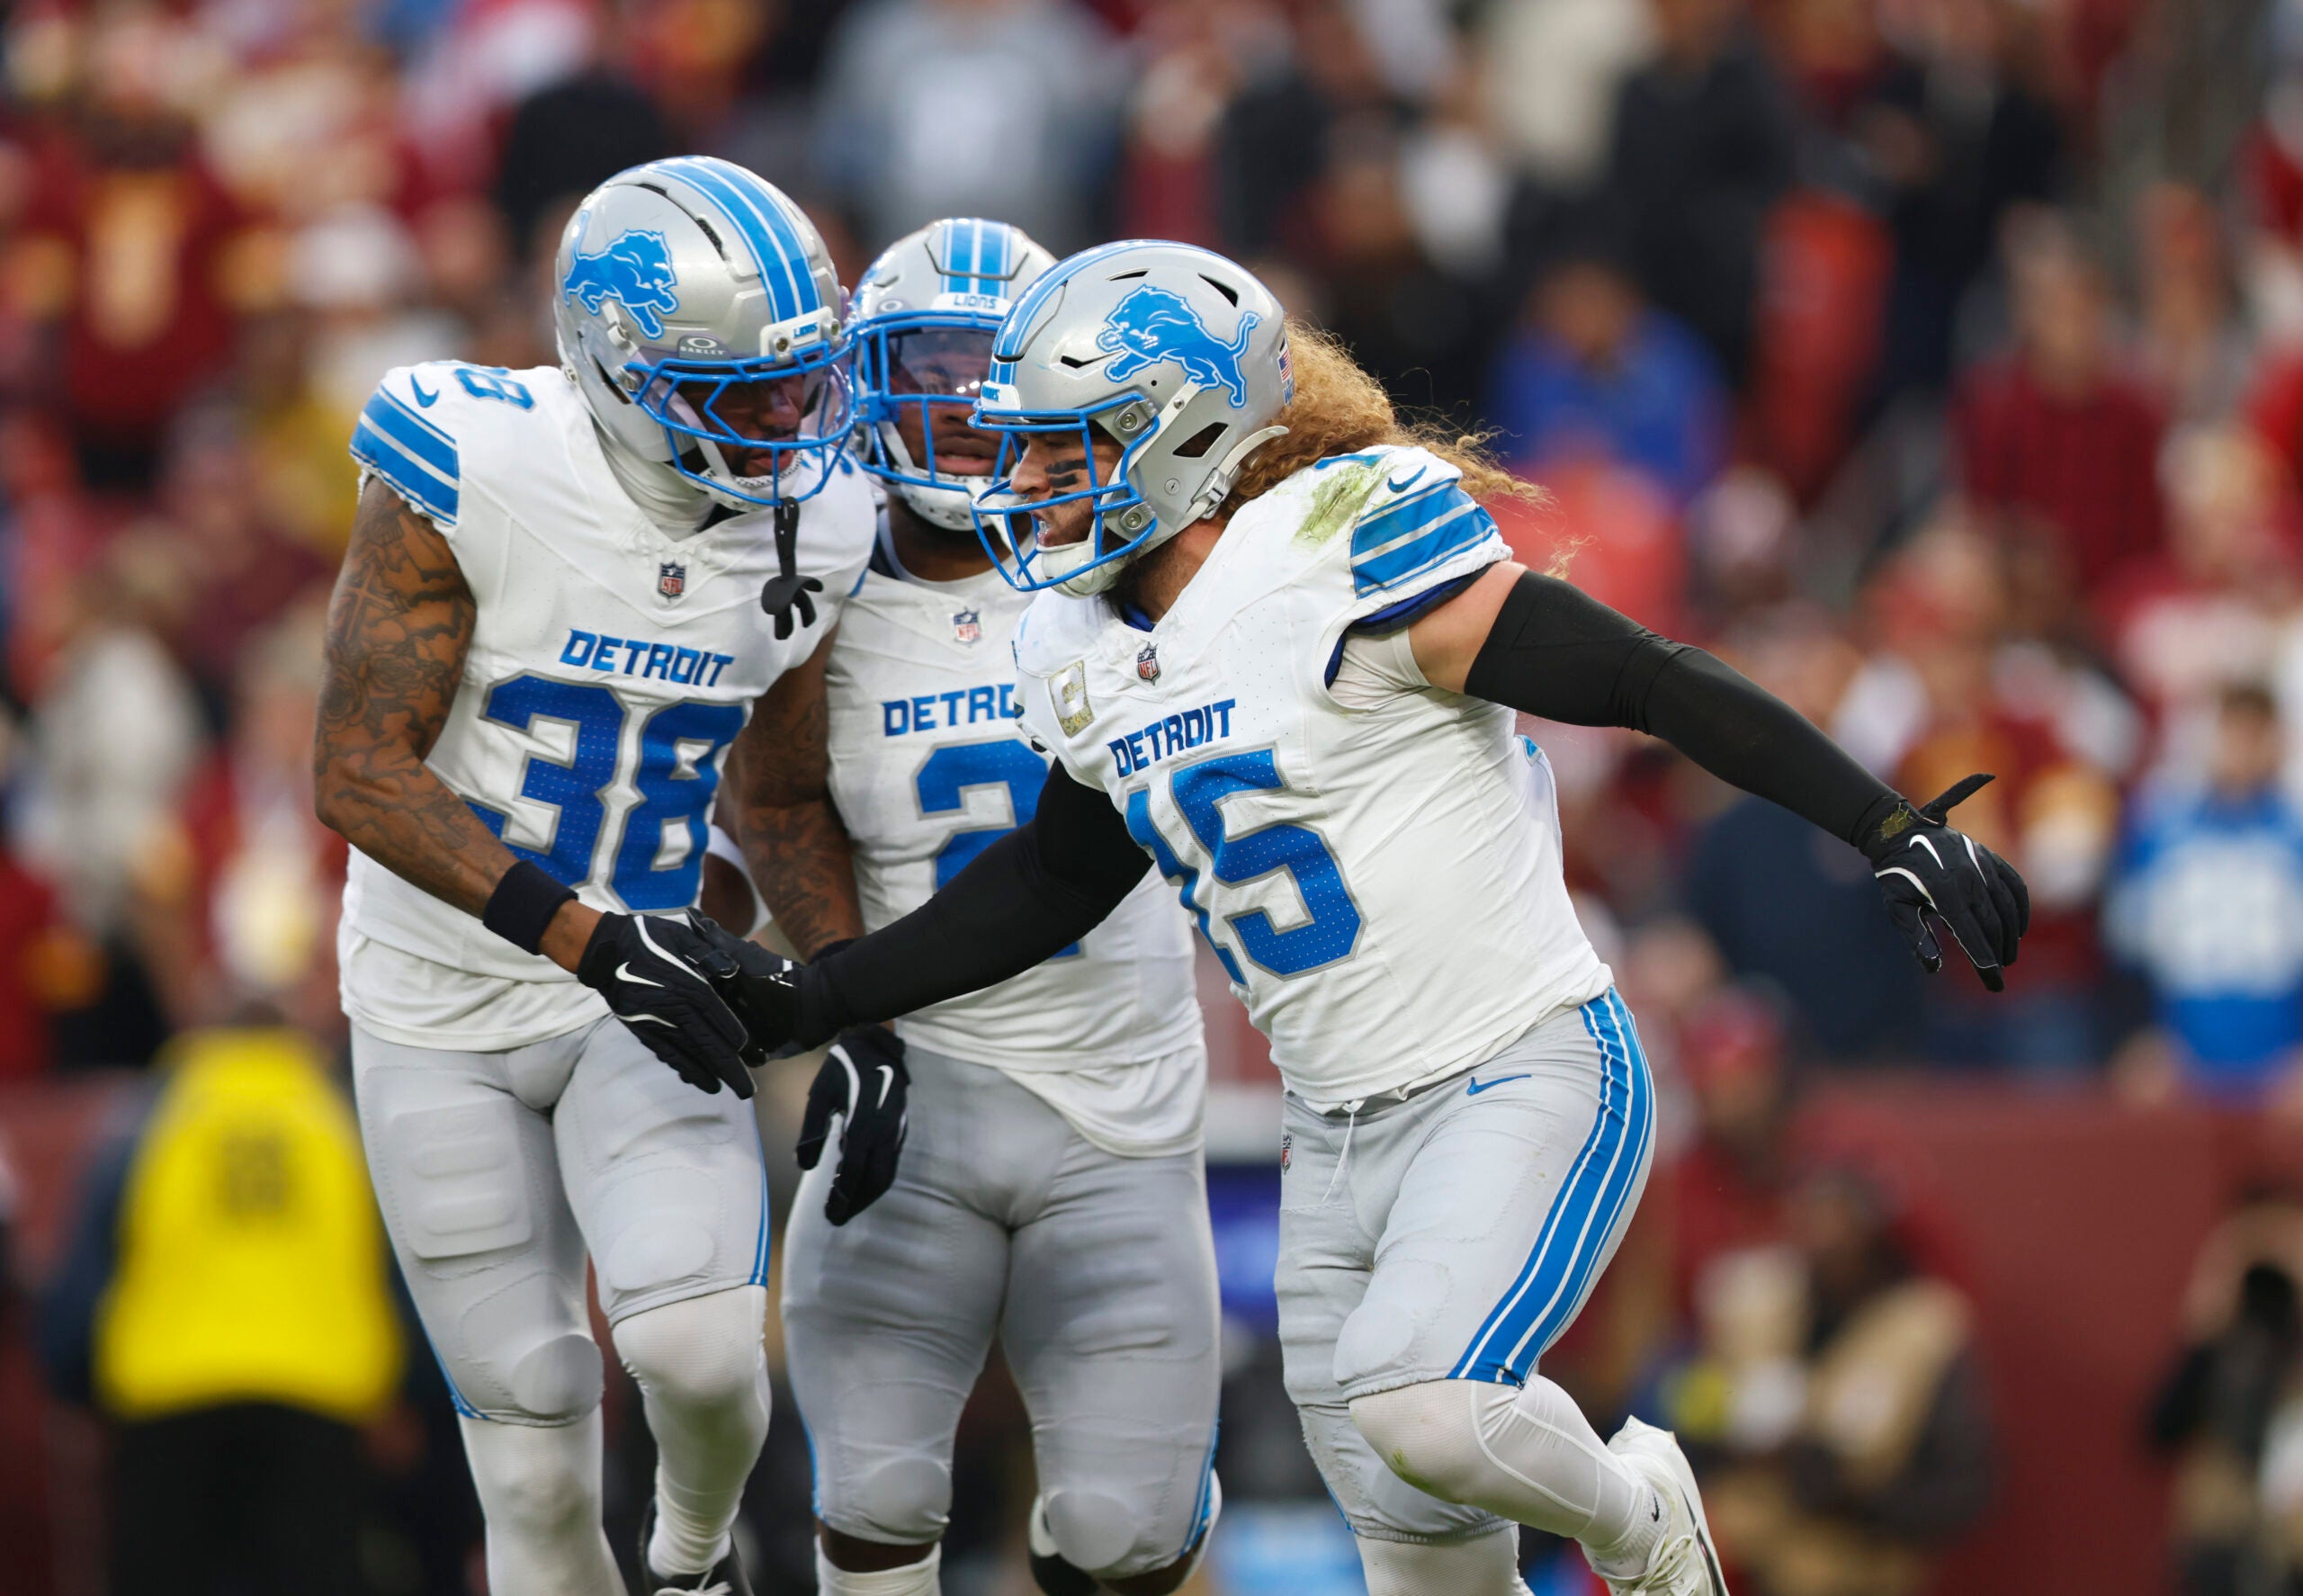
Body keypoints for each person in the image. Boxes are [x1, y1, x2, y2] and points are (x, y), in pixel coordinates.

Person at [687, 240, 2032, 1596]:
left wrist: (1885, 822)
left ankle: (1643, 1515)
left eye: (1061, 446)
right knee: (1423, 1566)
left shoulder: (1338, 545)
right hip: (1334, 1134)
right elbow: (1050, 879)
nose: (1019, 482)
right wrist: (822, 996)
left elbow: (1642, 675)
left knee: (1425, 1399)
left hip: (1521, 1060)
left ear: (1185, 434)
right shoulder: (1084, 648)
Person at [310, 156, 879, 1596]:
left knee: (697, 1352)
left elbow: (779, 787)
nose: (786, 421)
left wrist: (859, 1001)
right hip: (442, 1005)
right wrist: (590, 939)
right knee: (532, 1454)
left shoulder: (823, 516)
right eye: (743, 390)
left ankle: (692, 1562)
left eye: (800, 380)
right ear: (619, 367)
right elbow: (360, 768)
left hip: (643, 987)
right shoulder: (477, 459)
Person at [732, 218, 1222, 1596]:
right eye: (923, 365)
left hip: (1117, 1112)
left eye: (986, 367)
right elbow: (775, 802)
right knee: (874, 1505)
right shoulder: (815, 590)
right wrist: (843, 989)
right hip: (913, 1104)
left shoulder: (1139, 573)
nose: (953, 402)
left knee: (1128, 1534)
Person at [39, 1025, 405, 1596]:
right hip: (320, 1395)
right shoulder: (338, 1112)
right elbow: (403, 1267)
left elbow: (84, 1274)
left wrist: (73, 1381)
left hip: (167, 1395)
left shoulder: (150, 1111)